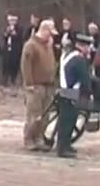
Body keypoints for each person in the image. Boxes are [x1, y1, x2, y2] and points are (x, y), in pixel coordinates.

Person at [54, 32, 94, 159]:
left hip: (63, 90)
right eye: (87, 46)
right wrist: (89, 93)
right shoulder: (79, 60)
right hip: (71, 92)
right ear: (81, 46)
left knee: (64, 120)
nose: (88, 49)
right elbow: (85, 78)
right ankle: (63, 148)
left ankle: (65, 145)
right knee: (68, 121)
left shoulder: (67, 56)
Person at [21, 19, 57, 152]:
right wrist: (29, 83)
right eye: (50, 33)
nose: (51, 36)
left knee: (45, 116)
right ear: (44, 30)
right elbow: (26, 65)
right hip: (35, 85)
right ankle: (29, 139)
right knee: (34, 114)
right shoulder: (31, 45)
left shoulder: (48, 45)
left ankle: (39, 138)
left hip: (48, 85)